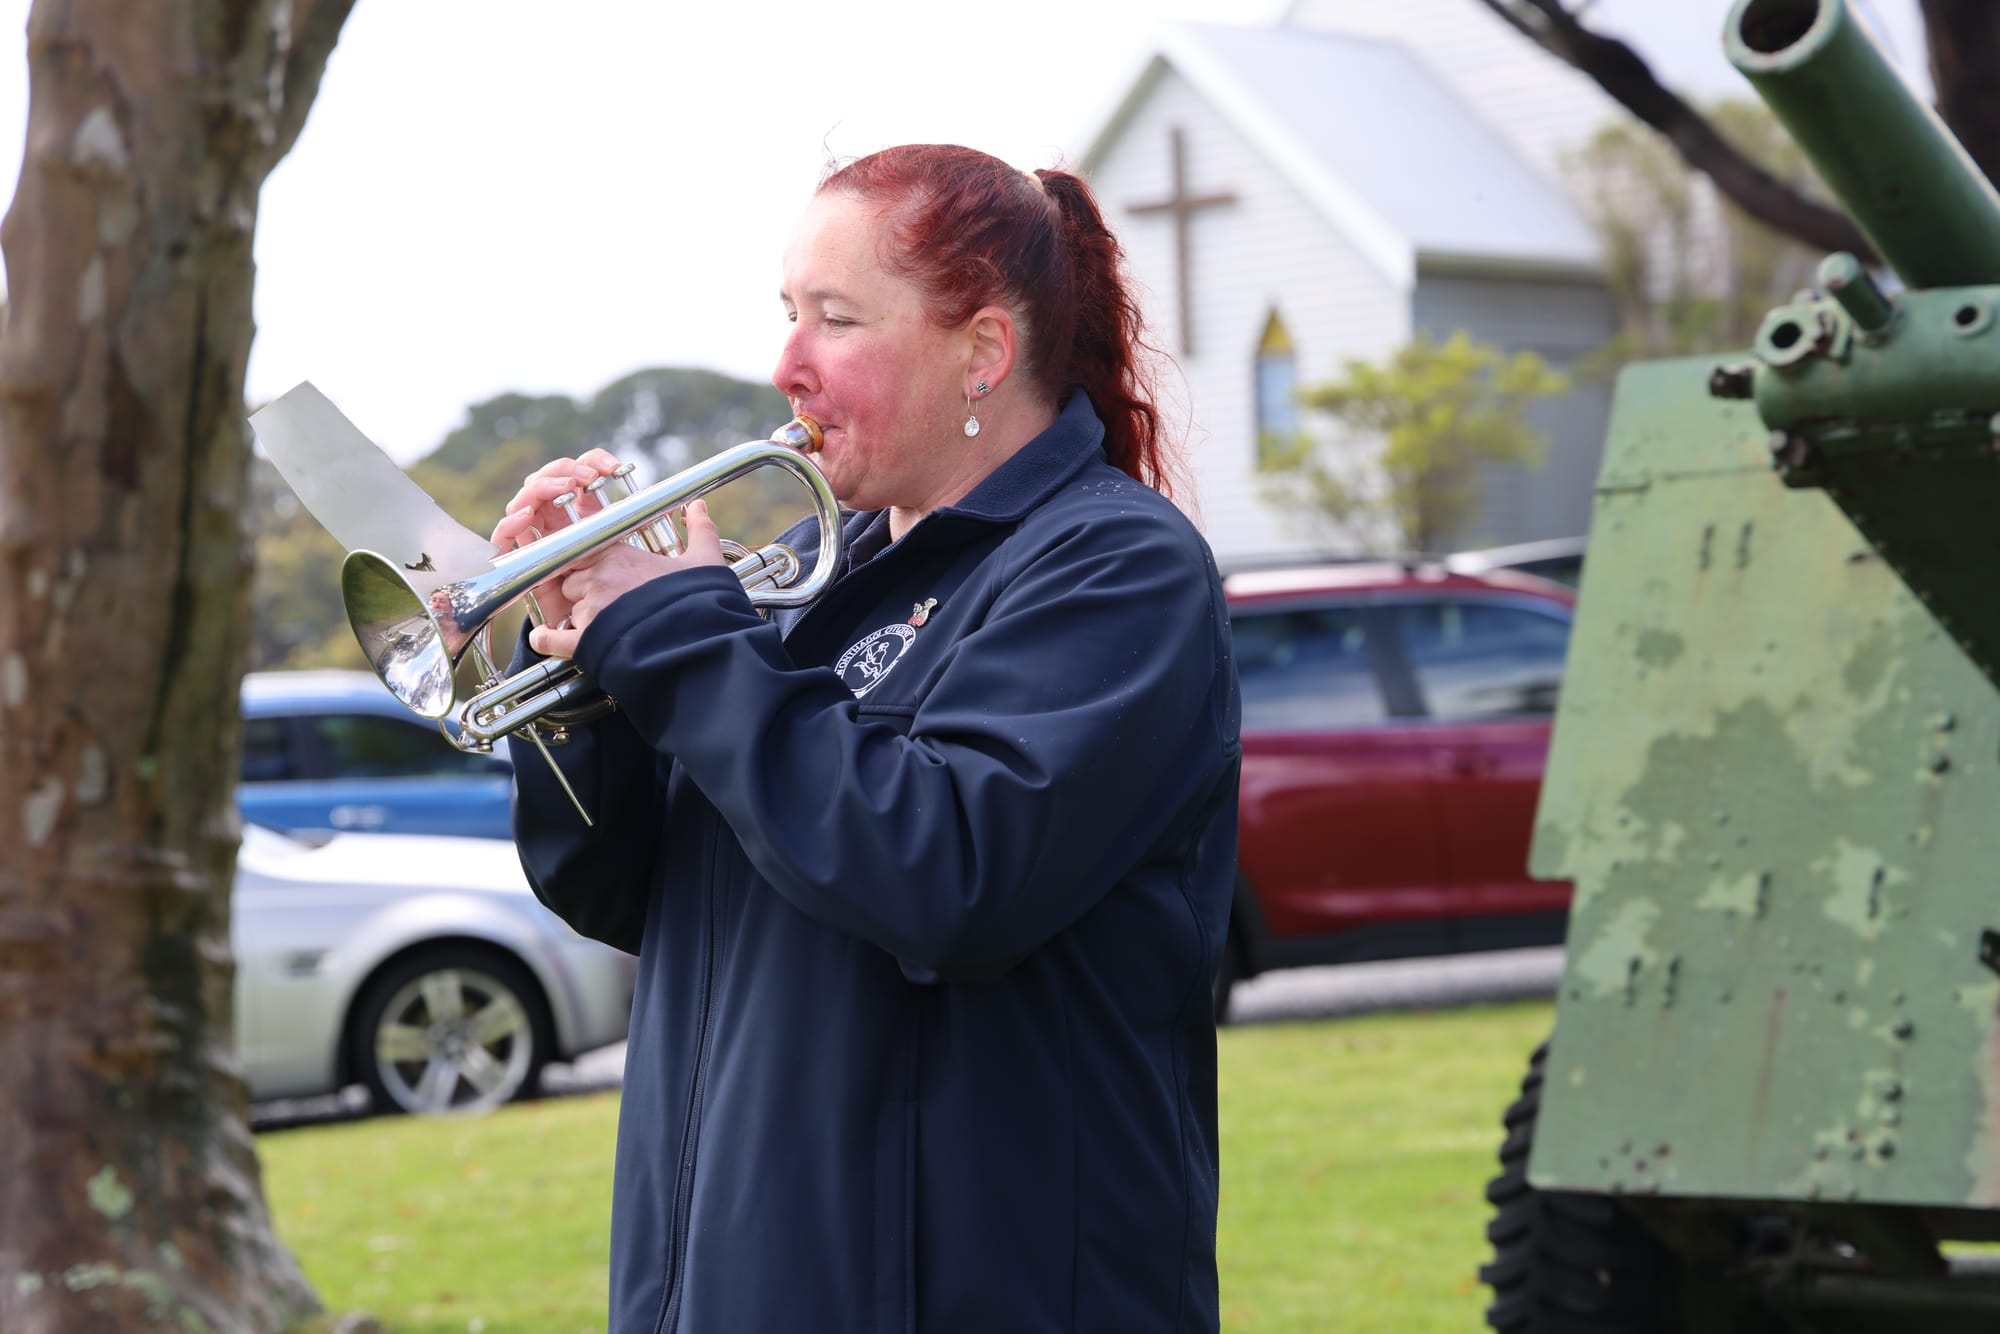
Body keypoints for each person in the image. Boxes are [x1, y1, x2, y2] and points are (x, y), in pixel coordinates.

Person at [494, 143, 1241, 1334]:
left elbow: (944, 871)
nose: (785, 364)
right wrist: (582, 665)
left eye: (834, 319)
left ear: (981, 352)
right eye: (787, 313)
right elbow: (622, 886)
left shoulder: (1111, 565)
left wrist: (683, 643)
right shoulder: (791, 577)